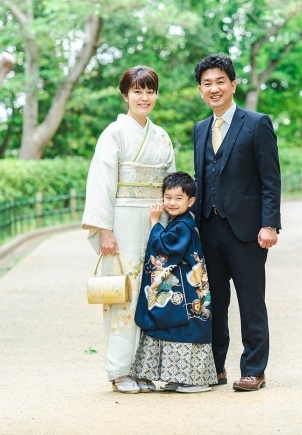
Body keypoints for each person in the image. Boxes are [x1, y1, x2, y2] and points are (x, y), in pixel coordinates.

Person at [81, 66, 176, 394]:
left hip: (155, 219)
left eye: (150, 91)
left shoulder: (162, 136)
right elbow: (102, 182)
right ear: (125, 95)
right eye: (138, 91)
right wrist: (104, 229)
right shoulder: (114, 133)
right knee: (125, 293)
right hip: (121, 219)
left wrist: (172, 223)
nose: (145, 97)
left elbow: (171, 184)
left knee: (153, 292)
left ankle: (144, 369)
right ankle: (119, 370)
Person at [191, 54, 281, 392]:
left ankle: (254, 369)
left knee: (250, 300)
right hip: (208, 229)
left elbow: (270, 180)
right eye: (207, 84)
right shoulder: (200, 128)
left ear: (233, 84)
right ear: (200, 90)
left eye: (220, 82)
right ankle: (215, 367)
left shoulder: (257, 123)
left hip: (248, 231)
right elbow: (203, 178)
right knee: (213, 302)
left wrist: (269, 224)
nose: (214, 89)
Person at [130, 171, 218, 393]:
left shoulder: (183, 226)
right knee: (180, 326)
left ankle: (196, 380)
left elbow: (167, 250)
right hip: (188, 289)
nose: (171, 202)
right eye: (167, 197)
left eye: (179, 198)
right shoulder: (180, 223)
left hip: (188, 292)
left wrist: (154, 223)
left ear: (191, 201)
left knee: (185, 326)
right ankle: (180, 378)